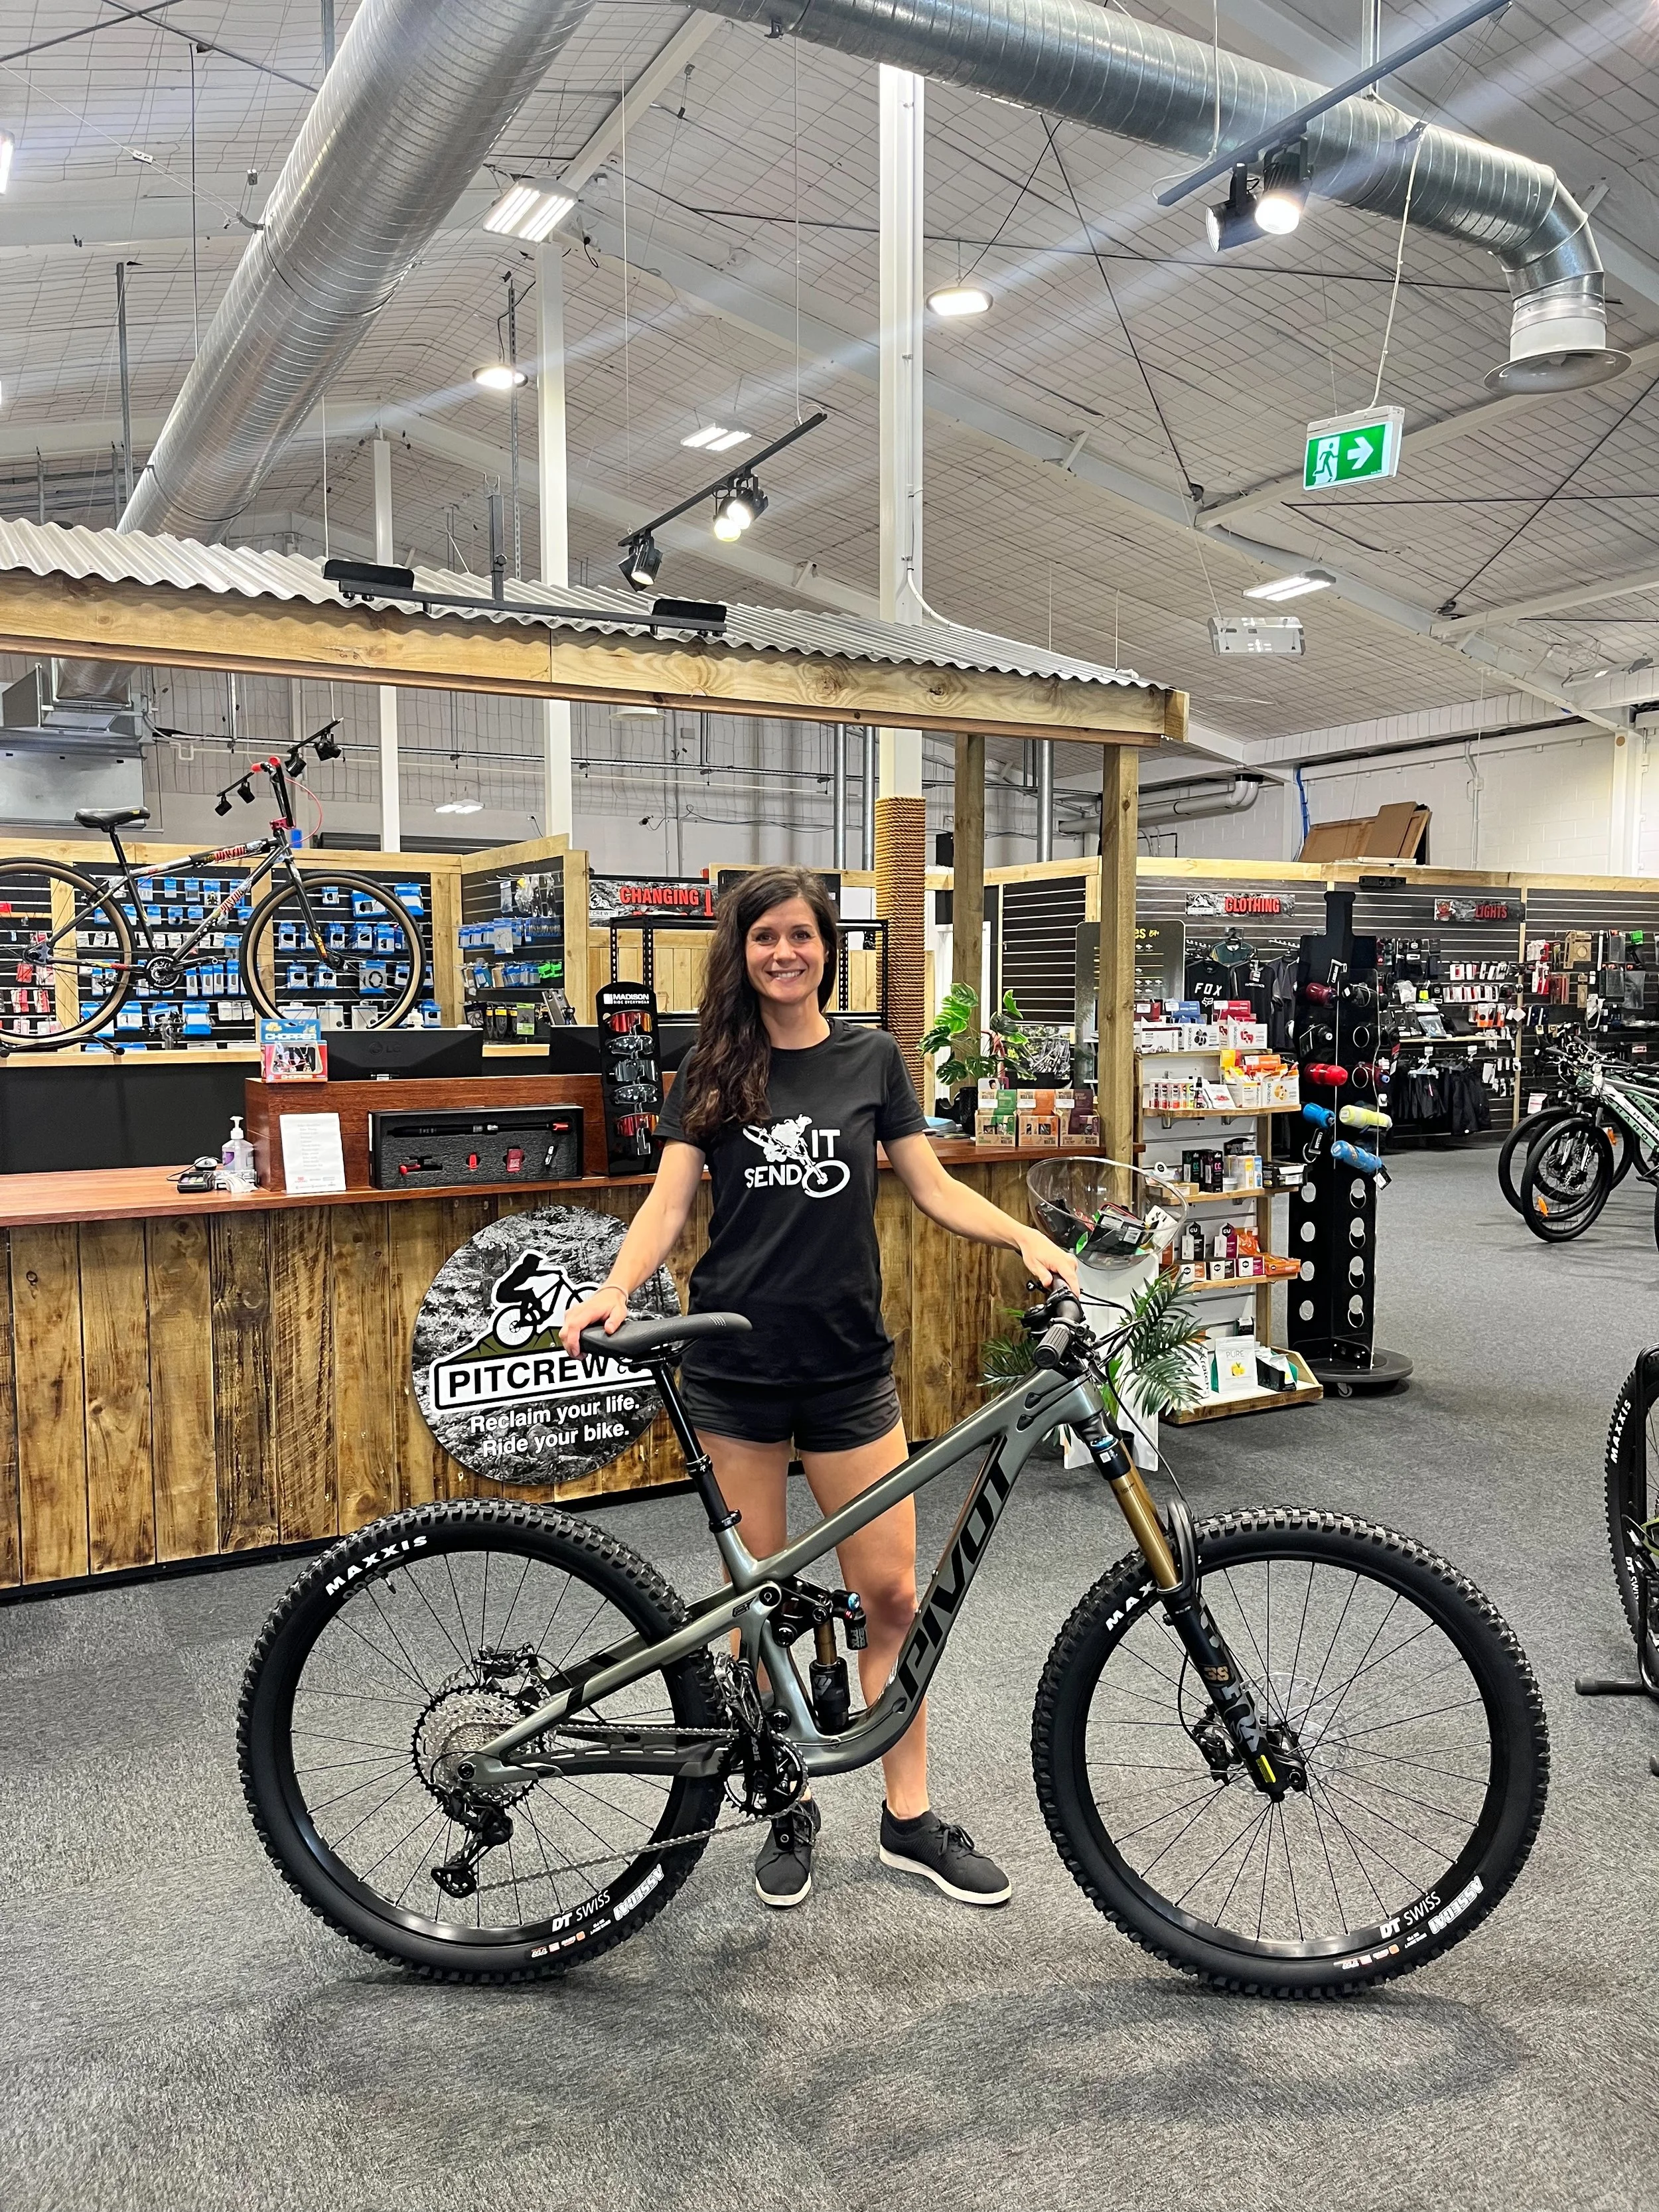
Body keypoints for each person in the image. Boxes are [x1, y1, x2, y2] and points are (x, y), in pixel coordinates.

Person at [561, 865, 1080, 1912]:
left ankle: (908, 1818)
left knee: (892, 1597)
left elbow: (929, 1186)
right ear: (741, 952)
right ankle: (783, 1799)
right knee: (759, 1615)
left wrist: (1023, 1234)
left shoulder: (871, 1058)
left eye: (801, 936)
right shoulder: (710, 1066)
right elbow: (667, 1207)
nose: (784, 954)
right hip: (736, 1371)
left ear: (825, 947)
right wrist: (616, 1287)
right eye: (765, 940)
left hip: (848, 1367)